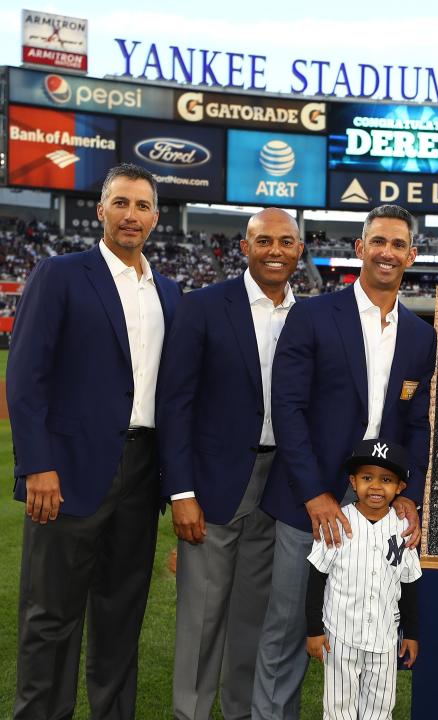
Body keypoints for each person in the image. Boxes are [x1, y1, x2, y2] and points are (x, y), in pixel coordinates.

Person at [8, 163, 181, 719]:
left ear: (156, 217)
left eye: (143, 206)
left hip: (141, 470)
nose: (132, 215)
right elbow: (26, 375)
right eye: (122, 203)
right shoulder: (60, 274)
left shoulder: (170, 292)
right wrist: (37, 464)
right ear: (101, 210)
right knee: (50, 615)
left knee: (121, 615)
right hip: (69, 470)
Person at [252, 204, 436, 719]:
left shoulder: (422, 336)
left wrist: (412, 498)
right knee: (289, 629)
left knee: (374, 623)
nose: (387, 252)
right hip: (307, 497)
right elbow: (286, 407)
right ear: (359, 248)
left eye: (399, 244)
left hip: (381, 501)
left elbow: (418, 424)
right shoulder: (312, 315)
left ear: (412, 255)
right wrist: (314, 492)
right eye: (378, 241)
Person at [157, 208, 304, 719]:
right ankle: (191, 714)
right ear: (244, 248)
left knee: (253, 619)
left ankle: (240, 712)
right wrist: (180, 492)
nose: (275, 251)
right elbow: (174, 403)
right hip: (213, 485)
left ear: (299, 251)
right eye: (264, 241)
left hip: (280, 486)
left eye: (286, 242)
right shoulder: (201, 306)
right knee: (202, 617)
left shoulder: (311, 314)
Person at [305, 438, 421, 720]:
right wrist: (313, 631)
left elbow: (410, 585)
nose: (377, 486)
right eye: (367, 477)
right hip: (339, 635)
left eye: (387, 479)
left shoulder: (404, 529)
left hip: (384, 637)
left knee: (380, 710)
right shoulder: (337, 523)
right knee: (338, 709)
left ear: (400, 488)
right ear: (353, 482)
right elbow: (316, 579)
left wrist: (412, 635)